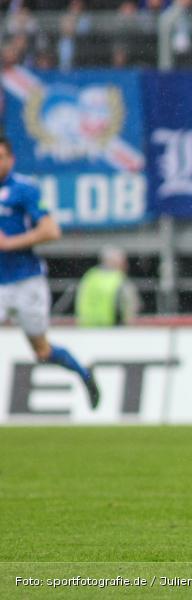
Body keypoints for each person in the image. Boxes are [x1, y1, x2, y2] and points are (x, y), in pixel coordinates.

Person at [0, 136, 101, 408]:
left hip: (25, 280)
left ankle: (84, 373)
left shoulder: (23, 190)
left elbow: (51, 230)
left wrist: (10, 243)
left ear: (11, 160)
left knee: (42, 351)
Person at [75, 245, 141, 327]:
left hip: (87, 328)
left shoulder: (90, 276)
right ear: (116, 262)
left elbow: (80, 300)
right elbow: (131, 304)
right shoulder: (119, 279)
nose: (126, 265)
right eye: (123, 261)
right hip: (111, 329)